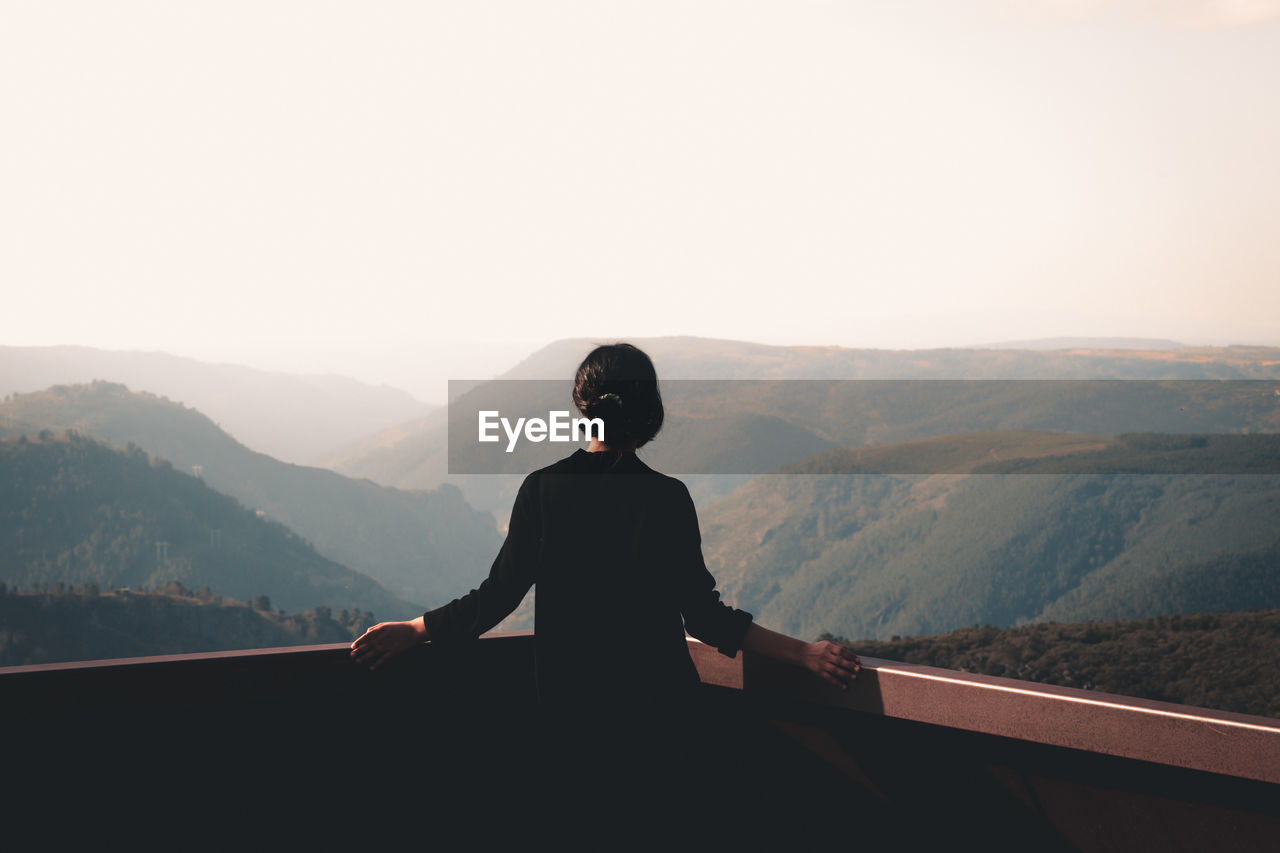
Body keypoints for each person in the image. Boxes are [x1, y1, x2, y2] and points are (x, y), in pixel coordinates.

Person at [350, 343, 860, 831]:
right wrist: (805, 655)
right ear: (650, 413)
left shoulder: (542, 490)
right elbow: (706, 619)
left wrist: (416, 630)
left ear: (582, 406)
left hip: (573, 725)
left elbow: (497, 598)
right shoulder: (668, 498)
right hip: (665, 724)